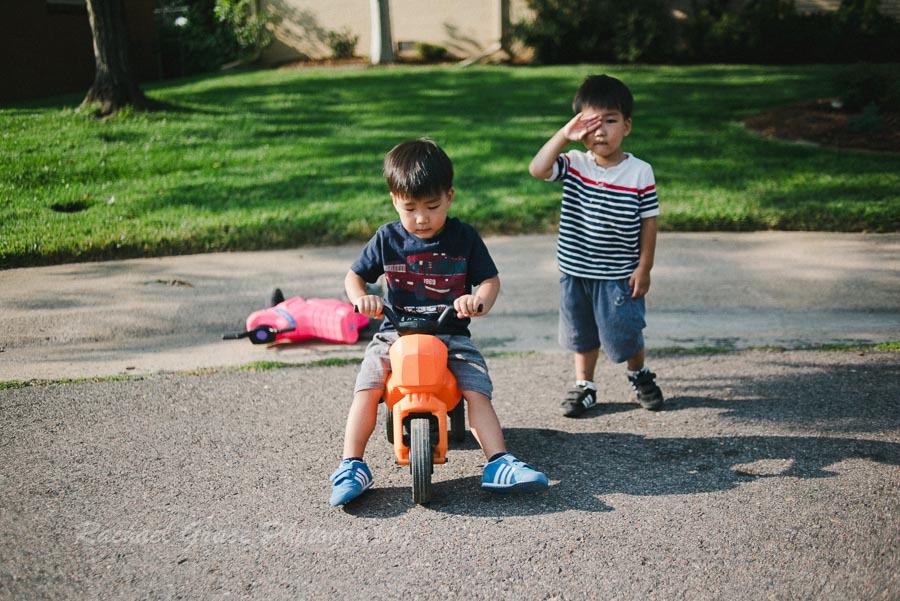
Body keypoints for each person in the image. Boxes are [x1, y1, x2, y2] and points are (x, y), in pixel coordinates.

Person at [330, 138, 548, 506]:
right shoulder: (387, 238)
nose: (420, 218)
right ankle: (352, 463)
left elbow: (490, 280)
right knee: (367, 387)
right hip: (394, 333)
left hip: (450, 332)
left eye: (432, 206)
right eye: (408, 207)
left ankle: (498, 460)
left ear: (449, 196)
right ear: (393, 199)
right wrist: (361, 298)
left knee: (475, 388)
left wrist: (478, 300)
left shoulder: (463, 237)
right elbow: (354, 277)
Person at [528, 74, 664, 418]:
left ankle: (639, 374)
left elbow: (649, 221)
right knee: (581, 334)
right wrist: (563, 134)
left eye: (610, 121)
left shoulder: (639, 172)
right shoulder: (575, 163)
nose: (600, 130)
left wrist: (644, 266)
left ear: (627, 126)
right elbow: (537, 168)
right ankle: (584, 385)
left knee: (625, 334)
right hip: (576, 272)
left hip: (619, 275)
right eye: (591, 123)